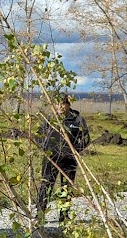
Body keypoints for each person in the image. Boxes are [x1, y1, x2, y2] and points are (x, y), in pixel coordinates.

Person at [35, 94, 90, 223]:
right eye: (57, 104)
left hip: (69, 159)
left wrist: (75, 150)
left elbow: (86, 139)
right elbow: (38, 135)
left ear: (68, 104)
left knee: (66, 187)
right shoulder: (50, 119)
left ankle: (64, 215)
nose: (59, 107)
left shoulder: (77, 120)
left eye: (62, 104)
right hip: (51, 158)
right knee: (46, 185)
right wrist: (45, 147)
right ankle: (40, 215)